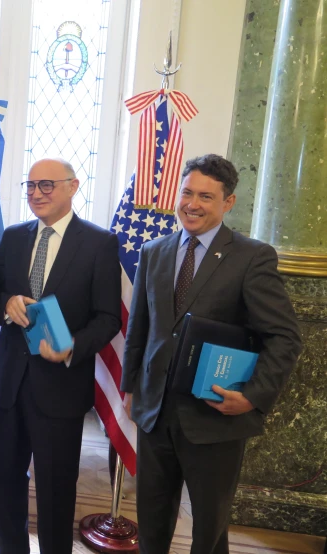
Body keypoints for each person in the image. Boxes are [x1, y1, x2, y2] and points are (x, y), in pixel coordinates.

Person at [121, 154, 302, 554]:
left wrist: (253, 396)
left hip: (214, 416)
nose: (192, 204)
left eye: (206, 196)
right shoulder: (154, 250)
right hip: (154, 412)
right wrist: (130, 386)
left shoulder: (252, 257)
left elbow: (285, 336)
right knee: (151, 522)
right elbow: (141, 327)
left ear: (228, 202)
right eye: (187, 192)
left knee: (209, 530)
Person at [0, 158, 122, 554]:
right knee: (6, 481)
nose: (35, 194)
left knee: (56, 488)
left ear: (73, 186)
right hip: (11, 381)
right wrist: (7, 302)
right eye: (29, 186)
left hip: (61, 387)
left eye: (46, 185)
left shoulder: (99, 243)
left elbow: (108, 318)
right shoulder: (13, 237)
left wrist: (73, 347)